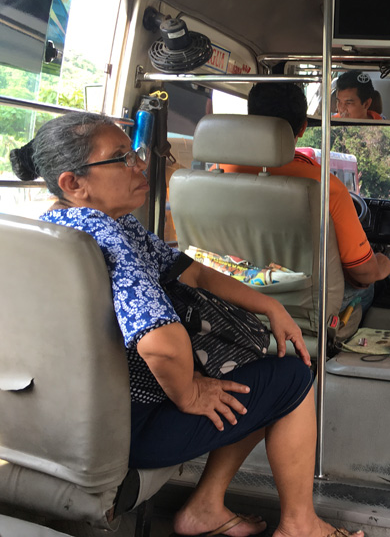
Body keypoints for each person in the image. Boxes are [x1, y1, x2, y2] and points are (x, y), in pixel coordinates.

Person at [10, 112, 363, 537]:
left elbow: (190, 271)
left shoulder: (60, 229)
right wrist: (191, 391)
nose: (140, 165)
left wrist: (270, 307)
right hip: (129, 430)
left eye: (135, 153)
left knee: (254, 376)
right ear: (73, 183)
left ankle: (205, 507)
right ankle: (299, 525)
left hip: (63, 423)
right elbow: (160, 344)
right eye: (122, 158)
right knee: (292, 375)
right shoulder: (107, 238)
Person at [220, 82, 390, 312]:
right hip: (299, 305)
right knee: (368, 288)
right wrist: (383, 264)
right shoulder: (325, 187)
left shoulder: (219, 174)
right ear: (303, 128)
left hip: (229, 294)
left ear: (252, 119)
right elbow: (363, 272)